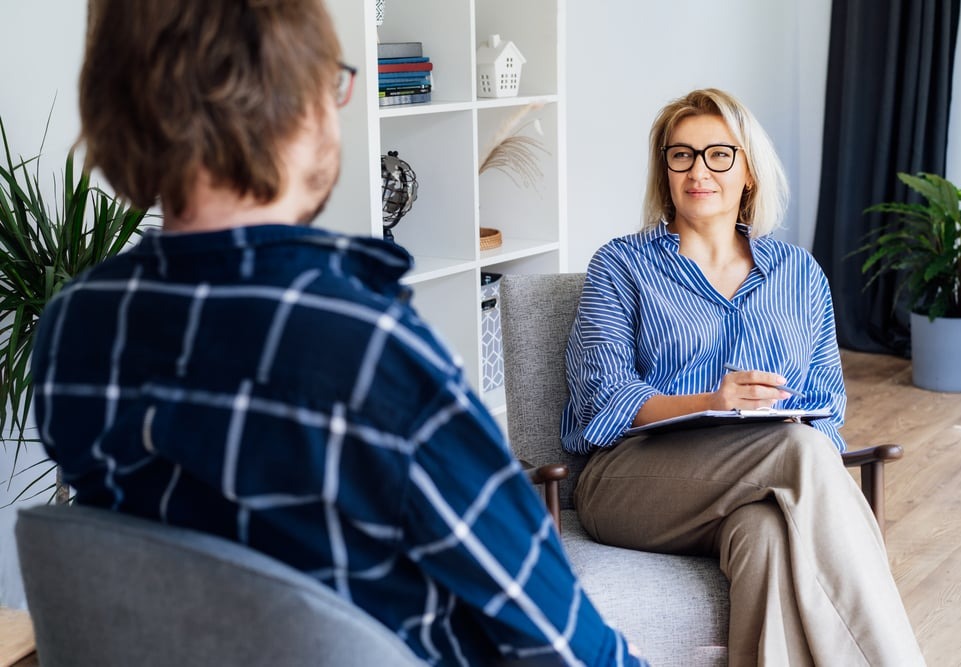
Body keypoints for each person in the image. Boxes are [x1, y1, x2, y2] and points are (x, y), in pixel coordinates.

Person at [30, 3, 646, 665]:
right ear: (298, 102)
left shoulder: (74, 330)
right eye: (336, 80)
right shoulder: (365, 351)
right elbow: (566, 645)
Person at [562, 88, 925, 666]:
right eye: (680, 155)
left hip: (758, 481)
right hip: (631, 481)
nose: (697, 170)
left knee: (767, 535)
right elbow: (603, 399)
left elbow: (827, 404)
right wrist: (712, 400)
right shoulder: (621, 264)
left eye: (718, 154)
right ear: (665, 168)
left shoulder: (798, 273)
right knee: (802, 453)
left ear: (749, 169)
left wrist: (776, 421)